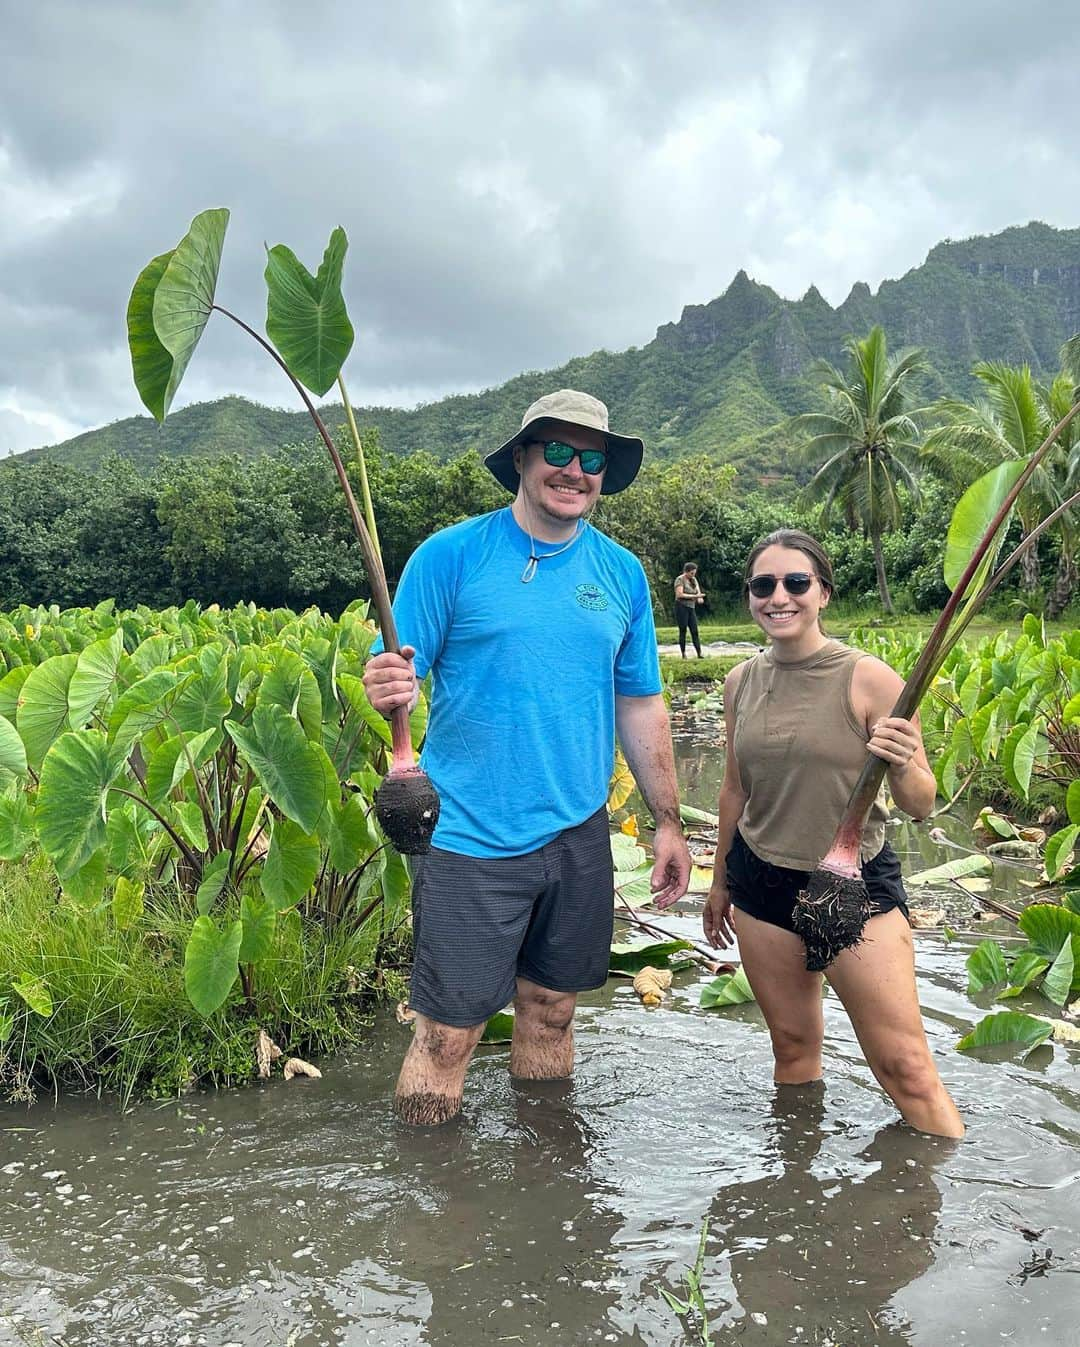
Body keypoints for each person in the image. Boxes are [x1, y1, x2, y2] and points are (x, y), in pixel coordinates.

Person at [364, 389, 691, 1125]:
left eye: (593, 458)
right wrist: (384, 682)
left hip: (577, 833)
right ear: (522, 457)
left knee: (552, 1012)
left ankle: (547, 1191)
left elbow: (639, 702)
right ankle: (428, 1213)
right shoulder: (450, 556)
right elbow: (397, 673)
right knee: (447, 1036)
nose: (575, 470)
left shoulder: (621, 573)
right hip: (470, 833)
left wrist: (668, 821)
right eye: (559, 452)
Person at [703, 529, 963, 1138]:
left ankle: (945, 1206)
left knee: (906, 1068)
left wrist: (904, 762)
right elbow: (735, 791)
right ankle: (798, 1190)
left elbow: (921, 804)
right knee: (792, 1050)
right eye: (763, 585)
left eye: (796, 583)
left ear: (823, 592)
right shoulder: (741, 681)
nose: (779, 597)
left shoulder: (869, 679)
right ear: (749, 596)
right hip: (762, 883)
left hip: (853, 886)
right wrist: (719, 884)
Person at [673, 561, 705, 658]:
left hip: (691, 607)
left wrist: (699, 598)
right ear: (686, 572)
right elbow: (679, 594)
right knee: (683, 630)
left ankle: (699, 653)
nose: (693, 575)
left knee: (694, 630)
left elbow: (698, 591)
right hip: (681, 607)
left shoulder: (694, 580)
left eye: (694, 573)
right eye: (691, 573)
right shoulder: (680, 579)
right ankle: (683, 653)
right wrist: (695, 596)